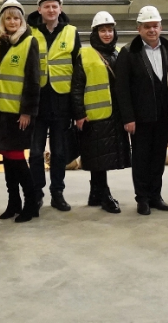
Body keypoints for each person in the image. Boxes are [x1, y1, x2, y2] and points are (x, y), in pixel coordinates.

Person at [115, 5, 168, 215]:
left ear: (161, 27)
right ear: (138, 28)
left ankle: (155, 196)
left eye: (155, 26)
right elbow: (122, 88)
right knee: (141, 159)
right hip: (140, 119)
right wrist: (128, 117)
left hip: (163, 117)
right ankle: (142, 198)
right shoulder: (128, 52)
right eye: (147, 26)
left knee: (158, 158)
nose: (152, 30)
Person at [27, 0, 82, 212]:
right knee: (35, 152)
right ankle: (37, 192)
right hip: (37, 103)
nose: (51, 10)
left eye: (54, 6)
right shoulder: (29, 32)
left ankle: (57, 193)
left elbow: (78, 70)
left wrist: (77, 108)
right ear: (39, 9)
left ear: (60, 9)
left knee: (59, 153)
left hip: (62, 102)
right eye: (46, 6)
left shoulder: (71, 32)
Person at [71, 11, 131, 214]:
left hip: (114, 115)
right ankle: (104, 194)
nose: (107, 34)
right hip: (94, 116)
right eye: (102, 30)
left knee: (102, 156)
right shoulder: (85, 54)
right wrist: (79, 114)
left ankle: (95, 193)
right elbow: (77, 87)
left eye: (110, 30)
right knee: (98, 157)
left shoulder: (118, 53)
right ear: (95, 33)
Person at [0, 0, 42, 223]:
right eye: (8, 18)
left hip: (19, 114)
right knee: (7, 159)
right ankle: (13, 202)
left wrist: (27, 112)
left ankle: (31, 202)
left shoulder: (29, 42)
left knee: (16, 159)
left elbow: (33, 80)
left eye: (16, 18)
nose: (12, 22)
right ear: (2, 20)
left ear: (22, 21)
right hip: (1, 113)